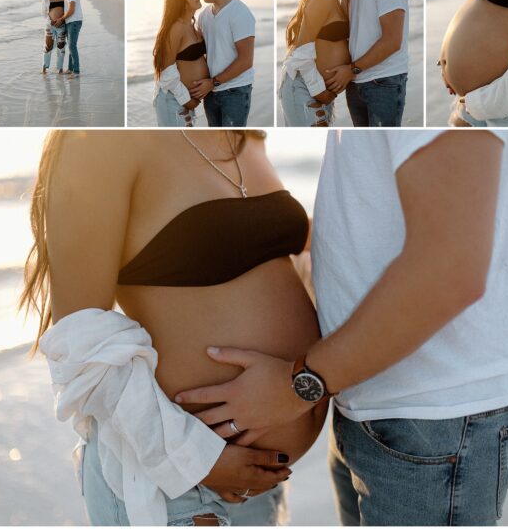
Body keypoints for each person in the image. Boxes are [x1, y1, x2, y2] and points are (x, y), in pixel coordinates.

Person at [176, 129, 508, 527]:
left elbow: (450, 268)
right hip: (382, 401)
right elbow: (383, 213)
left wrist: (297, 385)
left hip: (434, 422)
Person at [21, 129, 328, 527]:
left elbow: (270, 251)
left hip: (256, 483)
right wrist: (197, 460)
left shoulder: (241, 133)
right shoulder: (99, 139)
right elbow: (79, 340)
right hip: (175, 488)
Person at [279, 0, 349, 126]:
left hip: (318, 90)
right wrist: (318, 91)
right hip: (305, 87)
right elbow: (301, 49)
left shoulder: (337, 0)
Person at [190, 0, 255, 128]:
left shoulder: (240, 12)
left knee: (232, 143)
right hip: (210, 93)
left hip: (236, 92)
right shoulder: (203, 16)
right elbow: (198, 51)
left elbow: (246, 60)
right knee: (215, 142)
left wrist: (212, 82)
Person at [152, 0, 209, 127]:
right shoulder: (176, 28)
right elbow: (165, 72)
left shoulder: (191, 25)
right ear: (182, 3)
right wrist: (187, 100)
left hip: (184, 100)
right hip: (173, 99)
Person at [54, 0, 83, 80]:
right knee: (71, 45)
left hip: (74, 21)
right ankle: (71, 69)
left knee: (72, 46)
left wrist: (61, 19)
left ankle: (76, 71)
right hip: (71, 22)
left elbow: (71, 10)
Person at [41, 0, 67, 75]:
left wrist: (62, 20)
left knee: (61, 46)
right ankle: (44, 68)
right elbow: (44, 13)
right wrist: (51, 21)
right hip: (50, 26)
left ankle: (60, 68)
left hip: (61, 25)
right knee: (48, 46)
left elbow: (67, 11)